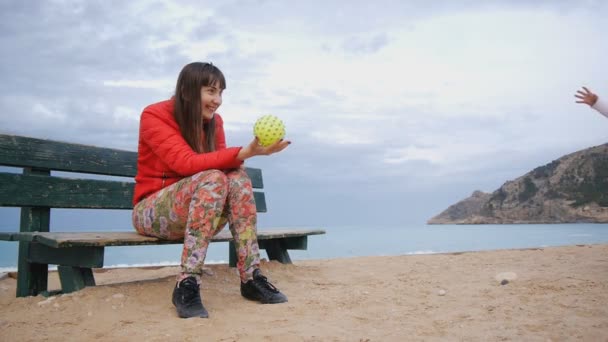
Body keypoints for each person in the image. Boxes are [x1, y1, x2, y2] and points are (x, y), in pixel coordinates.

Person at [132, 62, 291, 319]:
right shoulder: (154, 115)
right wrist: (245, 152)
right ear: (186, 90)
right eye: (211, 91)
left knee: (237, 178)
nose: (217, 100)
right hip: (151, 213)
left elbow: (223, 167)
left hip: (201, 212)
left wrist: (244, 158)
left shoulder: (215, 122)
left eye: (220, 93)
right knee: (214, 178)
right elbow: (184, 163)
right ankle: (188, 282)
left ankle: (251, 277)